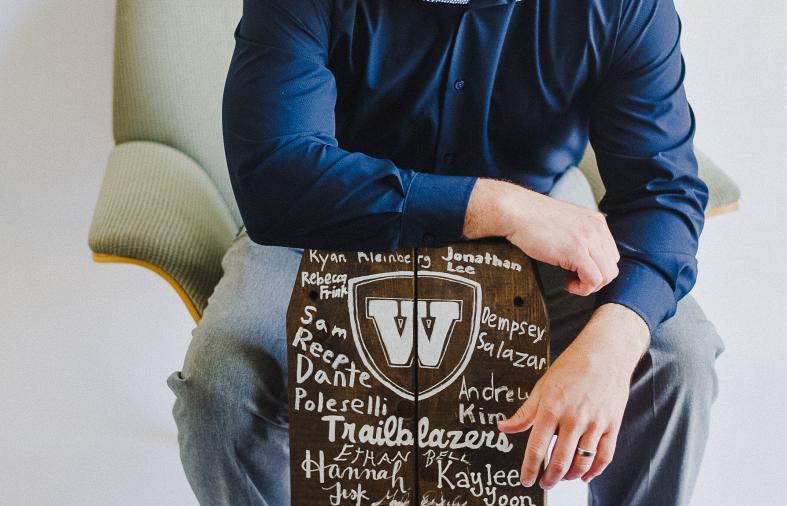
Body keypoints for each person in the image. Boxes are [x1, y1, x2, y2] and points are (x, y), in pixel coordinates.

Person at [166, 0, 725, 504]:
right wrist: (498, 205)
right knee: (223, 388)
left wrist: (615, 338)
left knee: (675, 355)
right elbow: (275, 180)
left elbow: (664, 190)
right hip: (330, 223)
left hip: (539, 221)